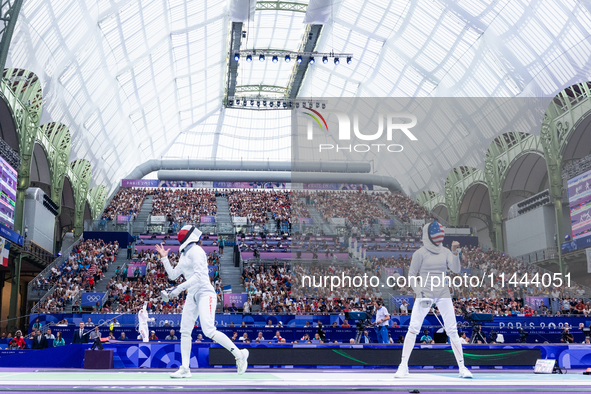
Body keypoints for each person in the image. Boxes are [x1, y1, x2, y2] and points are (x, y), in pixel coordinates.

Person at [156, 225, 249, 378]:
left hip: (205, 293)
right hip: (192, 294)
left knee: (208, 330)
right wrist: (164, 258)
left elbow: (199, 276)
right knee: (185, 331)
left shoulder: (197, 252)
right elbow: (173, 275)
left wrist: (178, 289)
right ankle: (185, 368)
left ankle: (239, 355)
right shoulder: (185, 254)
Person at [394, 222, 472, 379]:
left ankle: (462, 368)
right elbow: (411, 275)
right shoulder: (419, 254)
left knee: (452, 330)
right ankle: (403, 366)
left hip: (443, 292)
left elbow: (456, 270)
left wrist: (455, 253)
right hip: (425, 292)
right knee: (413, 328)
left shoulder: (445, 252)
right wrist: (419, 292)